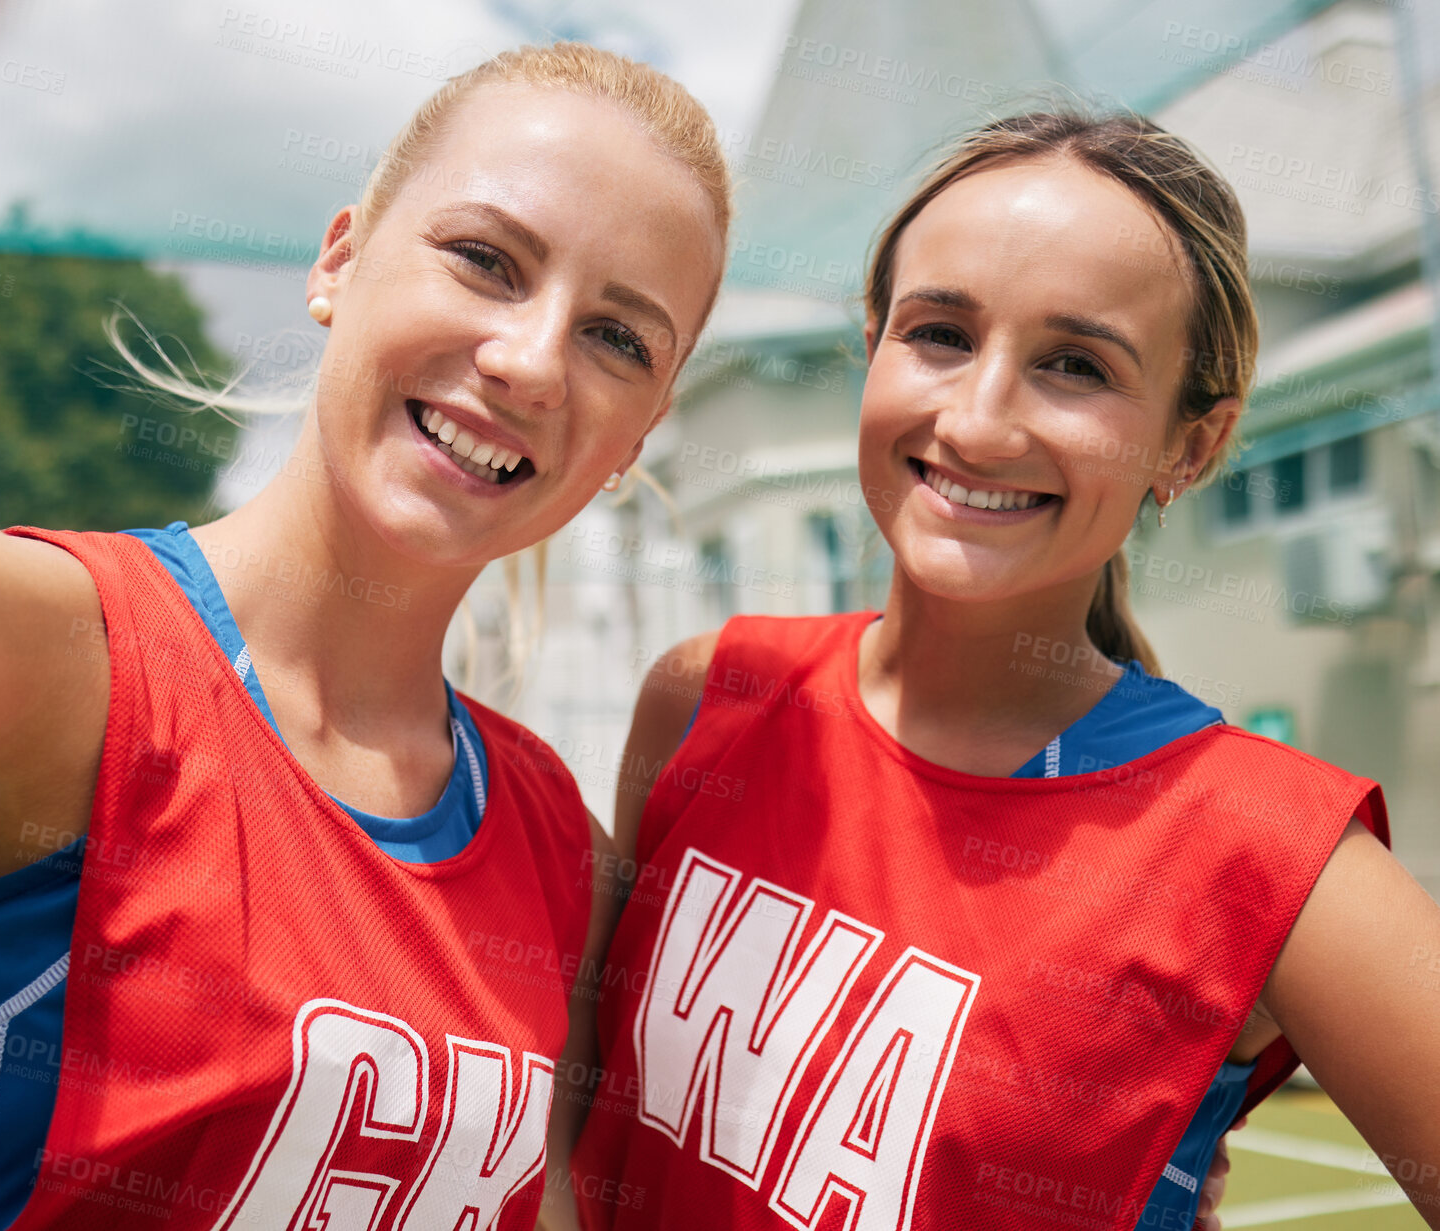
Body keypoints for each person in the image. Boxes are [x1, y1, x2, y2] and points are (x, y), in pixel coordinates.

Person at [0, 41, 728, 1231]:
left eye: (619, 338)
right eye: (484, 260)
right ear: (339, 260)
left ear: (641, 434)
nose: (531, 361)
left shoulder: (565, 855)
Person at [573, 109, 1440, 1230]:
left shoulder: (1274, 852)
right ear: (871, 346)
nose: (979, 420)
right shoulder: (708, 695)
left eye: (1075, 365)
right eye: (939, 333)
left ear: (1192, 443)